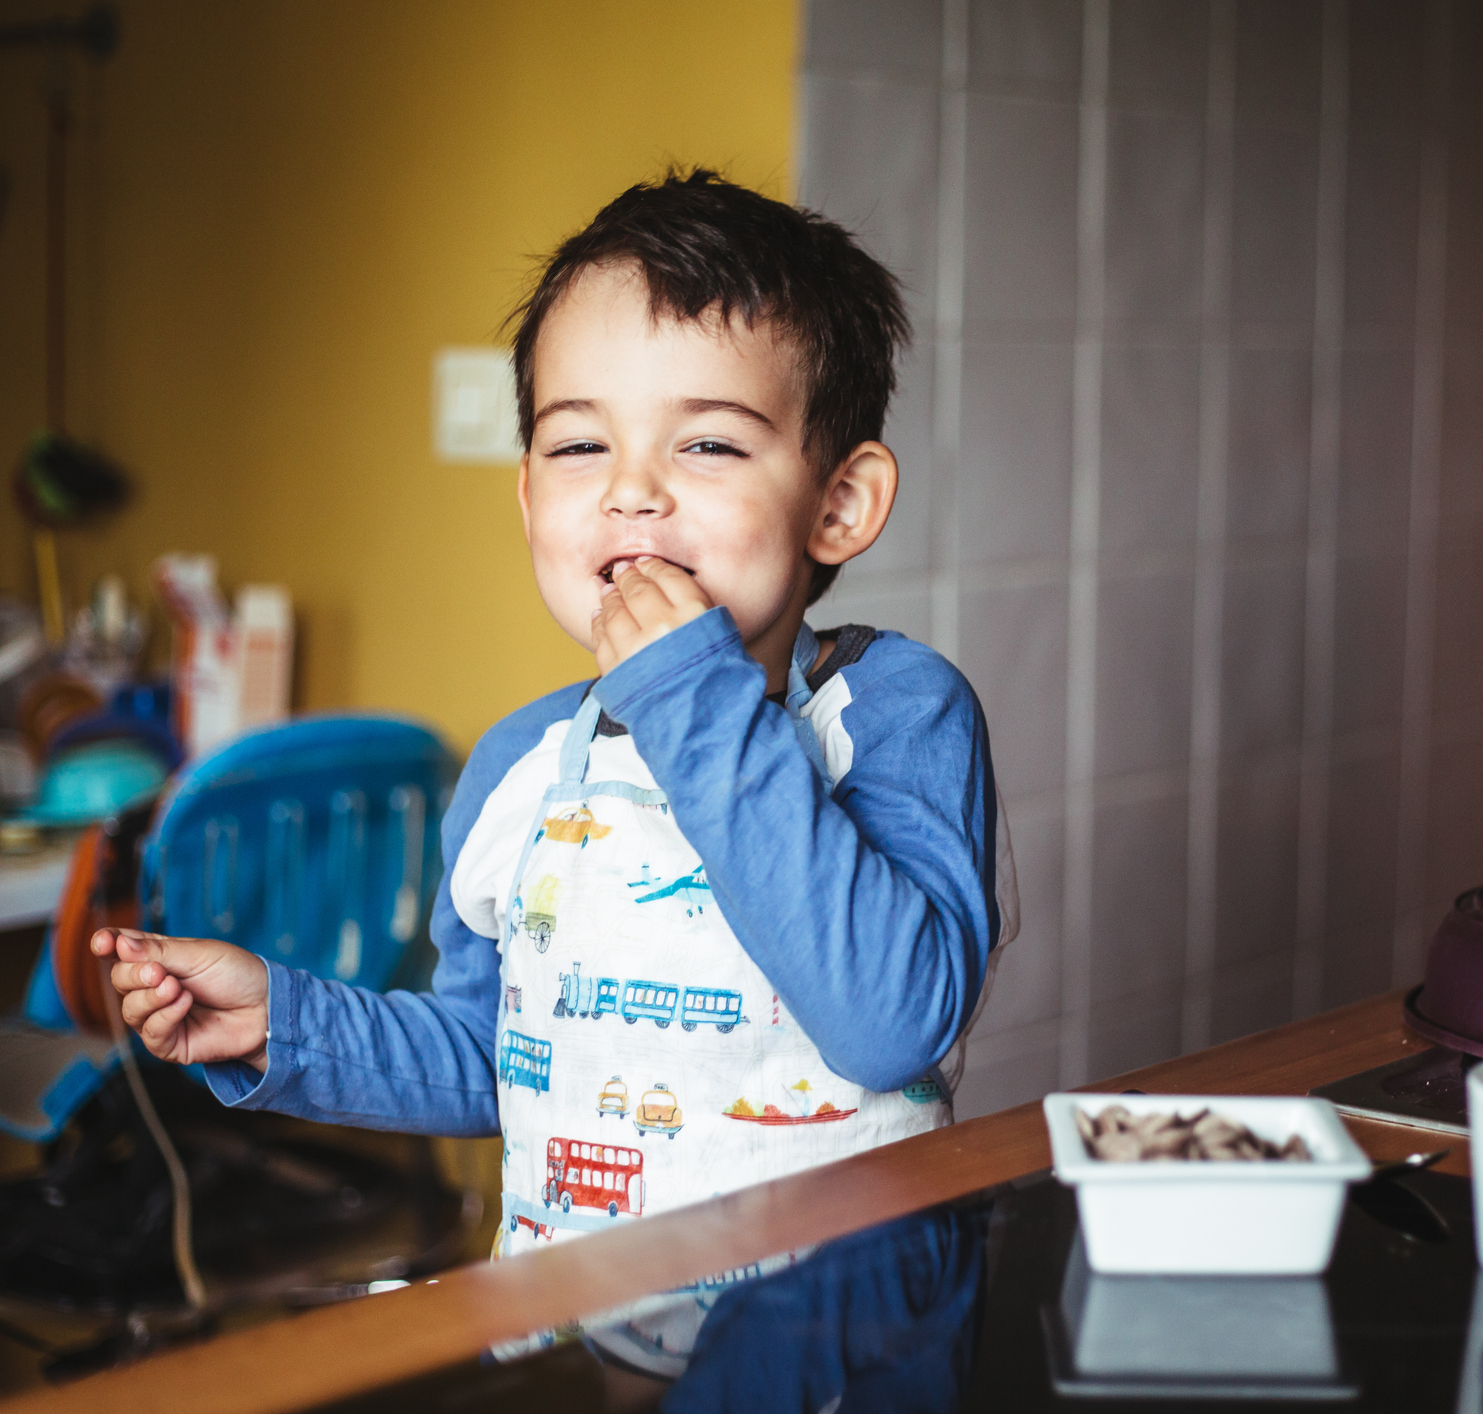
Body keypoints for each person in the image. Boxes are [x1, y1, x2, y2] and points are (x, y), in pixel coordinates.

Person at [91, 170, 1014, 1268]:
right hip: (572, 1353)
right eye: (581, 446)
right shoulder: (519, 769)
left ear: (840, 502)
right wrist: (284, 1026)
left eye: (707, 443)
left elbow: (889, 1022)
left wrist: (692, 697)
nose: (632, 491)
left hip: (839, 1355)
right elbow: (497, 1054)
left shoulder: (897, 711)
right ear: (530, 495)